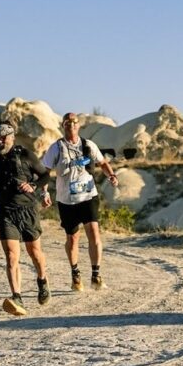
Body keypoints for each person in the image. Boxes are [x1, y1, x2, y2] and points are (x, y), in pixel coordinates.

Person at [41, 112, 119, 292]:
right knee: (73, 238)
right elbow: (45, 172)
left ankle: (96, 275)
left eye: (74, 122)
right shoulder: (56, 148)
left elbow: (102, 162)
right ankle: (75, 274)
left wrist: (111, 175)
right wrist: (44, 192)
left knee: (94, 233)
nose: (71, 125)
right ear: (63, 126)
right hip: (67, 200)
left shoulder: (88, 145)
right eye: (67, 123)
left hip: (88, 195)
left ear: (79, 126)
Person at [0, 122, 52, 316]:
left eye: (2, 138)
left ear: (12, 138)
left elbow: (45, 175)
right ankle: (17, 297)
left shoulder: (26, 155)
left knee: (34, 252)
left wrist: (35, 187)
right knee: (12, 256)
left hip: (28, 210)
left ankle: (42, 280)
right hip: (5, 211)